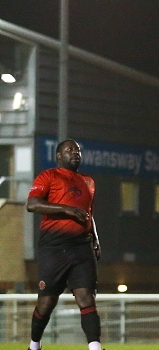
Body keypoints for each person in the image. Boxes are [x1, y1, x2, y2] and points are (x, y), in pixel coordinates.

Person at [25, 139, 103, 350]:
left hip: (81, 247)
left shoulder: (88, 181)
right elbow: (32, 204)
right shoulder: (49, 176)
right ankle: (34, 345)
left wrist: (95, 237)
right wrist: (66, 210)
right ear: (59, 155)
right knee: (46, 302)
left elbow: (88, 213)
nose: (75, 153)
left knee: (86, 297)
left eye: (78, 150)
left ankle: (95, 347)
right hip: (54, 247)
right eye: (70, 150)